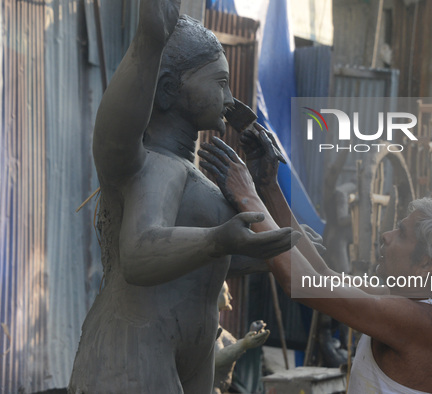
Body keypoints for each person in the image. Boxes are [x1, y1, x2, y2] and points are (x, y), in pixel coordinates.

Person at [68, 1, 294, 392]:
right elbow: (140, 254)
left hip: (190, 354)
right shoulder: (155, 165)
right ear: (171, 90)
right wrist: (150, 41)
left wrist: (264, 195)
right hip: (133, 354)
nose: (230, 97)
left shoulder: (197, 178)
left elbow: (218, 259)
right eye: (219, 82)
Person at [199, 134, 432, 394]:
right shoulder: (407, 303)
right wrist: (268, 186)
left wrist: (249, 197)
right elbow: (321, 274)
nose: (386, 236)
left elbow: (302, 283)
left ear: (427, 262)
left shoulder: (424, 323)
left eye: (401, 233)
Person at [213, 282, 270, 394]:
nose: (230, 296)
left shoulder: (217, 326)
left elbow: (230, 348)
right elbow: (216, 360)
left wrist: (252, 334)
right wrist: (244, 344)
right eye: (226, 293)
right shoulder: (210, 328)